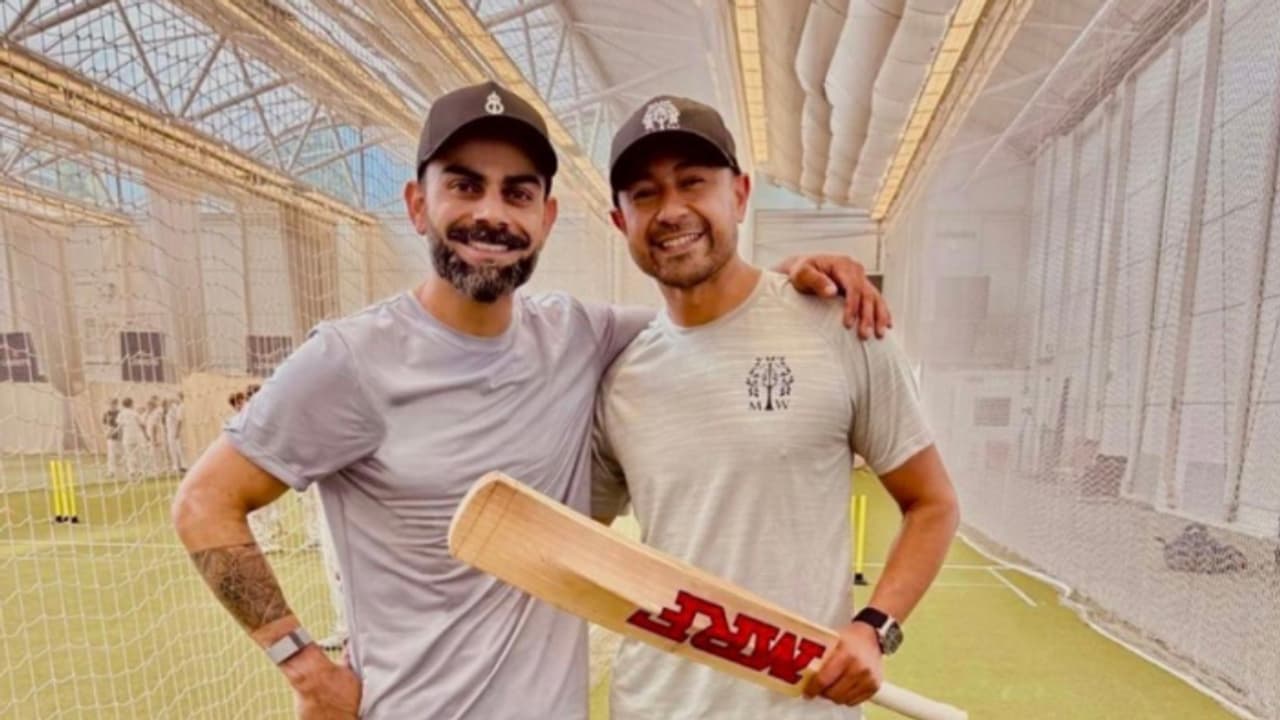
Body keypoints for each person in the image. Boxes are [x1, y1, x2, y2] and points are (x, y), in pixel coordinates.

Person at [171, 81, 890, 720]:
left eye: (516, 193)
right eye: (465, 186)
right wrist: (302, 665)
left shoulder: (581, 336)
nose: (491, 214)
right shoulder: (349, 359)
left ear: (546, 217)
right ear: (417, 204)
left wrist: (792, 283)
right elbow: (204, 502)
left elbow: (706, 314)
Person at [592, 96, 961, 720]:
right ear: (619, 220)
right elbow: (570, 530)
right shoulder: (618, 376)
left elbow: (933, 504)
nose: (672, 210)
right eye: (645, 194)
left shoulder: (840, 324)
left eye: (692, 182)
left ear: (739, 195)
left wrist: (875, 627)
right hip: (651, 706)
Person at [116, 397, 147, 480]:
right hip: (136, 436)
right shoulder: (134, 413)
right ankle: (140, 470)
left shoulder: (121, 414)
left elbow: (119, 426)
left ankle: (132, 471)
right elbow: (142, 424)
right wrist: (146, 435)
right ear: (131, 404)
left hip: (127, 436)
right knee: (138, 454)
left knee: (129, 454)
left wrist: (119, 436)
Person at [166, 393, 186, 474]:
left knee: (177, 449)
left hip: (174, 431)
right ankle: (177, 466)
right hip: (171, 431)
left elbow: (179, 420)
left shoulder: (176, 408)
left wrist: (177, 432)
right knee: (174, 449)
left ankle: (179, 466)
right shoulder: (172, 409)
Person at [103, 398, 122, 478]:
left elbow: (121, 425)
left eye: (113, 404)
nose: (111, 405)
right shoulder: (106, 413)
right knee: (111, 455)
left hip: (120, 437)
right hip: (111, 438)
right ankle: (111, 472)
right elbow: (104, 425)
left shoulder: (120, 413)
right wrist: (106, 433)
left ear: (116, 404)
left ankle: (130, 470)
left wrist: (114, 431)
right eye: (110, 404)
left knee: (124, 454)